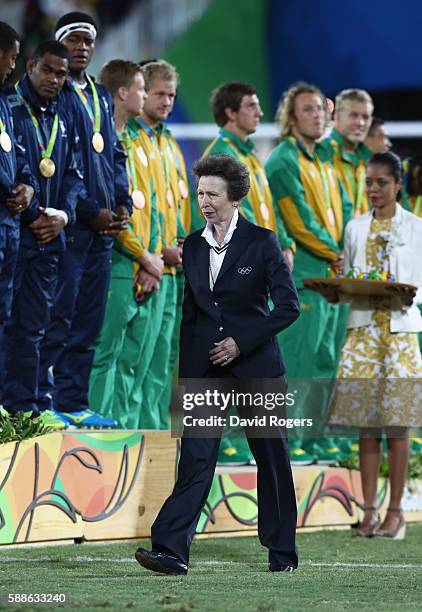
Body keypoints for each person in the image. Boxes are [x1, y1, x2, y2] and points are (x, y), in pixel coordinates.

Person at [135, 154, 300, 575]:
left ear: (234, 196)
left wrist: (240, 343)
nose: (203, 200)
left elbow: (288, 308)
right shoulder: (190, 245)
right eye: (200, 192)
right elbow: (190, 316)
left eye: (212, 193)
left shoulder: (262, 242)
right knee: (194, 458)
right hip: (204, 371)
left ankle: (282, 553)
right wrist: (186, 378)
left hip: (258, 368)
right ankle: (171, 550)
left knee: (272, 460)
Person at [37, 12, 132, 428]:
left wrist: (124, 200)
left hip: (103, 230)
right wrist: (91, 212)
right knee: (59, 316)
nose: (82, 48)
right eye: (73, 40)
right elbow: (64, 164)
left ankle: (73, 401)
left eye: (88, 42)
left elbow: (114, 153)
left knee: (89, 320)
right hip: (73, 227)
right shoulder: (56, 96)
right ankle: (43, 402)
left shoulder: (99, 93)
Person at [325, 151, 422, 539]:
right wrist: (338, 286)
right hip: (363, 333)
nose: (374, 189)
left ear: (398, 184)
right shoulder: (354, 228)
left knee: (396, 427)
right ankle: (368, 511)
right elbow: (352, 279)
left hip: (399, 333)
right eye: (369, 182)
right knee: (366, 427)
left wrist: (411, 295)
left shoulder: (416, 227)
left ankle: (395, 512)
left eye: (382, 182)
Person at [204, 81, 296, 466]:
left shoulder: (249, 154)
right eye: (252, 106)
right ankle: (226, 440)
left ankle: (245, 441)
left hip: (256, 263)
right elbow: (224, 215)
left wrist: (282, 244)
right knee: (230, 351)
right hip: (233, 268)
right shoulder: (222, 154)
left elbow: (265, 210)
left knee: (251, 349)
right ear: (230, 112)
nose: (260, 113)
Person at [265, 82, 352, 465]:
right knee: (297, 363)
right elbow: (299, 220)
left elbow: (345, 208)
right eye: (307, 110)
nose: (317, 115)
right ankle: (289, 438)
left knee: (324, 361)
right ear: (291, 118)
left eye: (320, 109)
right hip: (304, 276)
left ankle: (313, 438)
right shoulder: (285, 160)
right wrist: (336, 252)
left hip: (330, 277)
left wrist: (347, 251)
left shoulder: (324, 160)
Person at [2, 40, 84, 425]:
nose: (54, 79)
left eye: (61, 74)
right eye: (48, 70)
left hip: (50, 239)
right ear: (30, 66)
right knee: (8, 325)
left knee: (37, 328)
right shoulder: (9, 109)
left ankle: (25, 409)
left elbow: (72, 175)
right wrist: (38, 215)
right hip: (17, 235)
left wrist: (63, 216)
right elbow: (16, 171)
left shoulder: (62, 119)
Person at [88, 59, 163, 422]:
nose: (147, 96)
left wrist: (153, 257)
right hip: (117, 261)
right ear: (122, 92)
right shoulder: (105, 139)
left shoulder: (143, 142)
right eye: (142, 89)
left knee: (134, 359)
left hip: (142, 261)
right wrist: (144, 256)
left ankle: (127, 440)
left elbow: (150, 210)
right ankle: (96, 441)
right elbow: (112, 213)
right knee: (106, 354)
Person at [123, 60, 187, 429]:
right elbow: (136, 206)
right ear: (143, 92)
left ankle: (154, 438)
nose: (166, 101)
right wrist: (155, 255)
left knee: (161, 359)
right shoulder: (129, 139)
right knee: (133, 357)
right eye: (160, 93)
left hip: (171, 268)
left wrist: (177, 246)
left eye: (172, 95)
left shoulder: (168, 143)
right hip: (144, 264)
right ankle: (126, 439)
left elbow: (174, 206)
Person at [0, 21, 37, 396]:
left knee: (5, 320)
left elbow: (19, 157)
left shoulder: (4, 104)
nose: (12, 66)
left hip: (9, 227)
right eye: (10, 58)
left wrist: (26, 188)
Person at [321, 89, 374, 218]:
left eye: (365, 117)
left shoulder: (369, 159)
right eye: (353, 115)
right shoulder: (322, 153)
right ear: (337, 116)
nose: (360, 123)